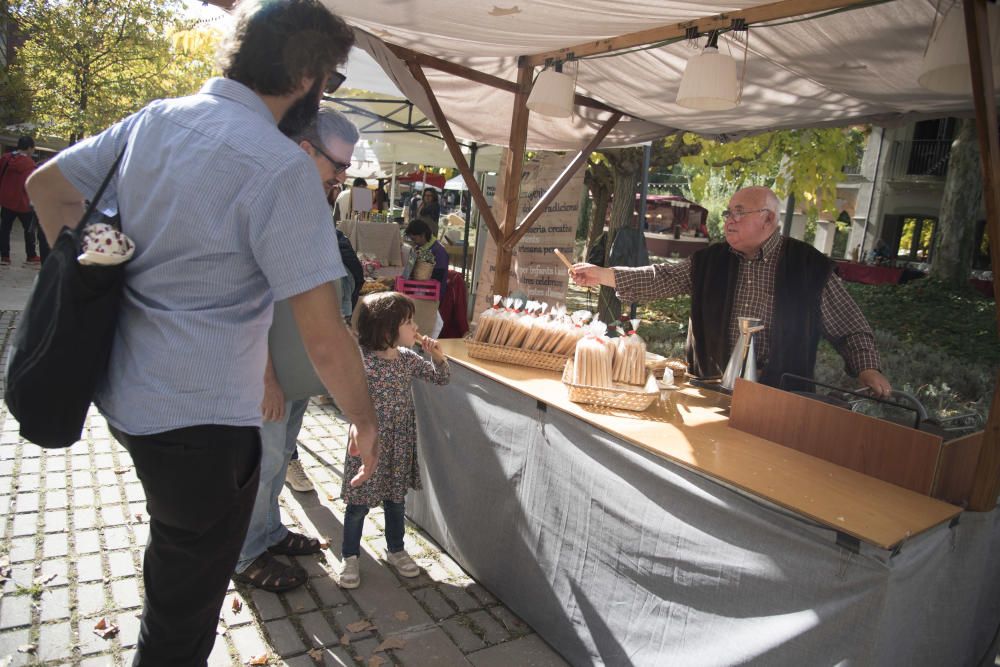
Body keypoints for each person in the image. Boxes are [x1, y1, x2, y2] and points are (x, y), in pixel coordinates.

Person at [25, 1, 379, 663]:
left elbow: (49, 188)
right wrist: (365, 419)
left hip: (126, 395)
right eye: (329, 79)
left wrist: (97, 270)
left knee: (175, 575)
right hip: (202, 423)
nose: (325, 93)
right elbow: (325, 339)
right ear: (302, 74)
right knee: (179, 621)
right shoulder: (279, 168)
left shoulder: (156, 119)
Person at [570, 186, 893, 398]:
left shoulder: (809, 265)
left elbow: (851, 327)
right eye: (727, 214)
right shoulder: (711, 260)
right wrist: (602, 275)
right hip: (710, 387)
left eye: (738, 213)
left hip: (782, 394)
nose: (728, 221)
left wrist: (867, 368)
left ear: (768, 219)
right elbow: (661, 278)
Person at [233, 105, 359, 592]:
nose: (344, 177)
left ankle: (267, 532)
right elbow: (248, 298)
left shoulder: (305, 200)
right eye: (338, 165)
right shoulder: (270, 199)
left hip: (298, 366)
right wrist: (265, 376)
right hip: (267, 371)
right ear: (305, 151)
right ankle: (244, 555)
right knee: (261, 463)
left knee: (280, 455)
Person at [339, 291, 449, 589]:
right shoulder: (362, 361)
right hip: (368, 443)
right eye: (408, 322)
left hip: (399, 441)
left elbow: (440, 379)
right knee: (358, 503)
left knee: (395, 499)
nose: (416, 328)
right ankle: (350, 556)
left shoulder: (407, 360)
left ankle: (396, 549)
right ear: (387, 329)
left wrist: (437, 357)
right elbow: (346, 397)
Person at [0, 136, 39, 265]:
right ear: (29, 148)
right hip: (23, 202)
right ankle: (31, 255)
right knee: (29, 230)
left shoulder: (6, 158)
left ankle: (5, 256)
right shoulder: (30, 164)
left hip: (6, 200)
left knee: (5, 229)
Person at [403, 218, 448, 297]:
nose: (413, 242)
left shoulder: (439, 251)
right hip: (417, 289)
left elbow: (437, 278)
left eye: (414, 239)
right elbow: (407, 272)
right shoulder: (417, 248)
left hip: (432, 293)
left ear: (422, 235)